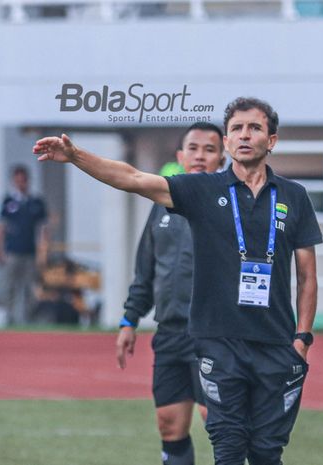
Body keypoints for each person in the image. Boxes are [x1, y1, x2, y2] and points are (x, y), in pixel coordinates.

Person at [34, 97, 322, 465]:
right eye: (236, 128)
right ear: (229, 141)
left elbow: (307, 275)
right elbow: (133, 178)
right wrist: (77, 157)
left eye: (255, 128)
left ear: (272, 139)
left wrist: (302, 338)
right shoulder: (202, 191)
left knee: (267, 452)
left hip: (277, 344)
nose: (245, 135)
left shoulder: (294, 196)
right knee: (229, 448)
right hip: (219, 343)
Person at [116, 122, 225, 465]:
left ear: (222, 157)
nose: (200, 156)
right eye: (193, 149)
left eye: (209, 149)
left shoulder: (230, 205)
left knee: (220, 424)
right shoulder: (160, 205)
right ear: (180, 156)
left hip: (216, 336)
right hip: (171, 335)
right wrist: (129, 319)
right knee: (169, 424)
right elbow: (145, 270)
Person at [0, 165, 48, 325]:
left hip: (30, 253)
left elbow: (43, 230)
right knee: (9, 287)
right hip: (12, 252)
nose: (20, 184)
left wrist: (42, 253)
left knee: (30, 289)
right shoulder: (8, 202)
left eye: (23, 180)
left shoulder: (36, 203)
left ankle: (27, 320)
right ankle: (9, 319)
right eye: (17, 180)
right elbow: (1, 228)